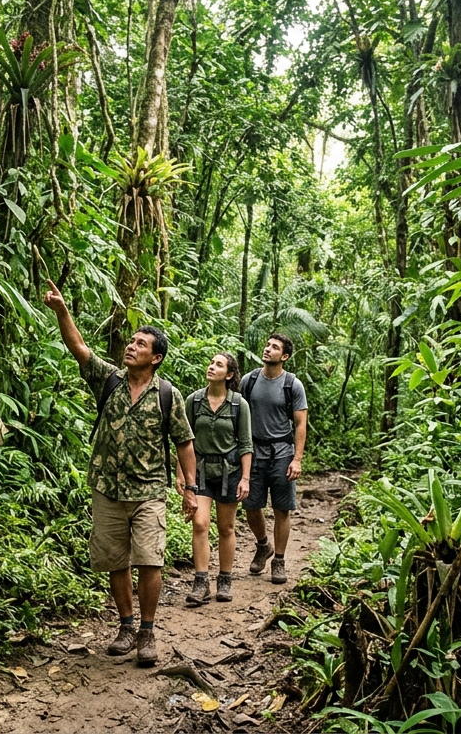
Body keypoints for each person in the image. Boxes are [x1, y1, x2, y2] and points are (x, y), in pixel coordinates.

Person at [42, 279, 196, 667]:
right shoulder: (108, 380)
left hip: (148, 492)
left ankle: (147, 630)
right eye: (131, 341)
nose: (131, 346)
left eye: (141, 344)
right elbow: (79, 348)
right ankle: (126, 626)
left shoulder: (167, 394)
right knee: (115, 561)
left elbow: (183, 441)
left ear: (156, 357)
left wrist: (189, 489)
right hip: (107, 489)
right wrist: (62, 310)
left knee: (151, 561)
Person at [177, 352, 253, 606]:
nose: (212, 366)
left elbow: (245, 444)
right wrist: (181, 473)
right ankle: (200, 581)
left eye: (218, 365)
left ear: (229, 375)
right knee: (199, 524)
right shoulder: (194, 400)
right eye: (211, 362)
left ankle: (225, 578)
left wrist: (245, 478)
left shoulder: (238, 404)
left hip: (229, 473)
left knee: (226, 528)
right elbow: (183, 440)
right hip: (199, 472)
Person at [243, 333, 308, 585]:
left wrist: (297, 459)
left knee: (282, 509)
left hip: (282, 452)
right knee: (250, 505)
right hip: (253, 452)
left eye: (275, 347)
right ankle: (263, 545)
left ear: (285, 356)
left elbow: (301, 423)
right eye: (267, 344)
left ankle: (278, 561)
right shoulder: (249, 381)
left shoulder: (292, 384)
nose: (268, 349)